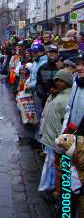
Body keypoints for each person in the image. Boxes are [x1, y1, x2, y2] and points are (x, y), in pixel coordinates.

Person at [39, 70, 73, 201]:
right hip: (52, 138)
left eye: (62, 80)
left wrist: (60, 140)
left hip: (56, 140)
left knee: (55, 166)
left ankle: (53, 191)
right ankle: (51, 188)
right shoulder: (60, 95)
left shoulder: (65, 98)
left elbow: (63, 123)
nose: (58, 83)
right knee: (53, 165)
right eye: (57, 80)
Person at [62, 51, 84, 134]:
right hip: (72, 133)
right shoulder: (76, 83)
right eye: (78, 64)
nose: (79, 68)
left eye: (83, 65)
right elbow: (69, 108)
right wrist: (65, 129)